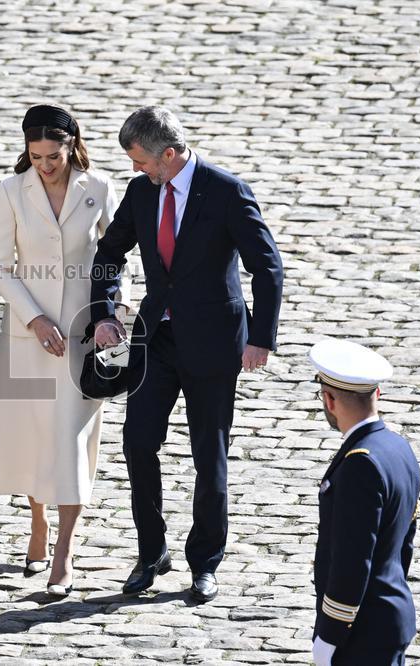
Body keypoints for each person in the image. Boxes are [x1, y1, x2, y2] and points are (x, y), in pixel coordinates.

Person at [90, 106, 283, 602]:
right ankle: (151, 551)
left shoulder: (226, 192)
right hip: (156, 339)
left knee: (208, 456)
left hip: (214, 342)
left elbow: (267, 267)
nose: (135, 168)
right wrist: (104, 313)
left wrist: (260, 338)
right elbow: (109, 253)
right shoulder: (142, 192)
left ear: (169, 154)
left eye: (140, 160)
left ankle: (205, 562)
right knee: (137, 443)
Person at [0, 104, 128, 596]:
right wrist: (35, 318)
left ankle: (64, 550)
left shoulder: (98, 187)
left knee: (71, 439)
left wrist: (112, 314)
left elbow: (116, 257)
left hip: (84, 337)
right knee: (34, 438)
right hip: (29, 335)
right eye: (36, 156)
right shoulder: (11, 190)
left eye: (53, 156)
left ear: (71, 146)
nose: (44, 165)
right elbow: (0, 267)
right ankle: (38, 522)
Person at [308, 339, 420, 666]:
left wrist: (330, 635)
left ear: (329, 400)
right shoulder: (399, 448)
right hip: (388, 615)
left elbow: (352, 561)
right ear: (377, 394)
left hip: (361, 633)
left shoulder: (361, 464)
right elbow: (405, 544)